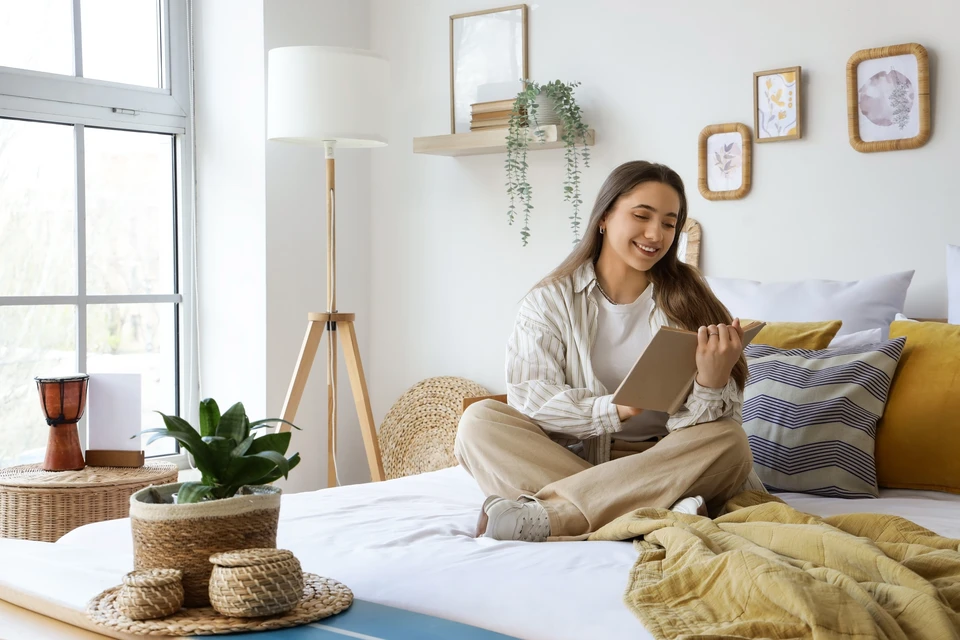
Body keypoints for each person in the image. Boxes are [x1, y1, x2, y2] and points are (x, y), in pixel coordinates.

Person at [454, 160, 762, 543]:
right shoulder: (550, 301)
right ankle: (656, 512)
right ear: (604, 217)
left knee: (729, 442)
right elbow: (532, 398)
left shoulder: (692, 298)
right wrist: (613, 410)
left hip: (668, 462)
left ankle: (553, 515)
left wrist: (711, 381)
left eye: (669, 223)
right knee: (478, 423)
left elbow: (714, 430)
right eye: (641, 216)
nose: (656, 234)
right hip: (577, 461)